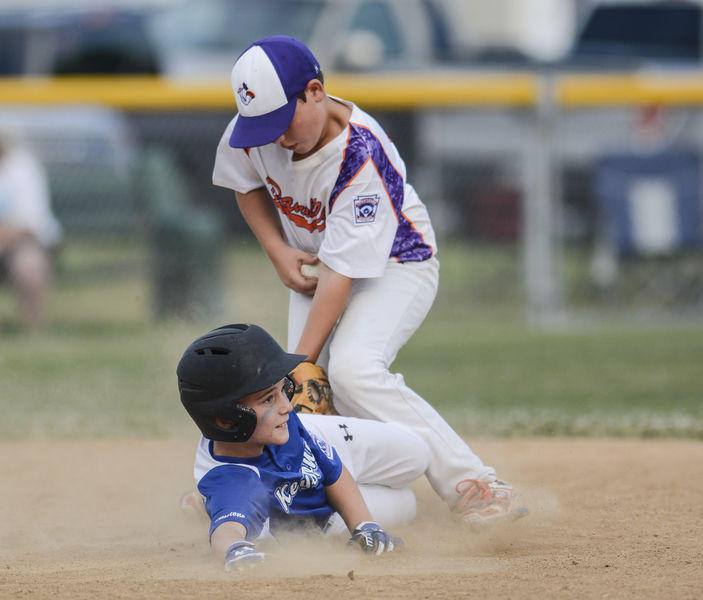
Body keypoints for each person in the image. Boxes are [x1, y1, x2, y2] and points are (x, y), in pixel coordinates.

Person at [212, 35, 526, 528]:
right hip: (321, 263)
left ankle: (476, 484)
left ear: (314, 91)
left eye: (281, 123)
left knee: (350, 372)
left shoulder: (360, 154)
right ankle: (262, 489)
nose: (274, 138)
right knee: (308, 400)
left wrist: (299, 366)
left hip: (399, 265)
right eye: (262, 127)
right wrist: (277, 251)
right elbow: (243, 182)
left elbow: (343, 276)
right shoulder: (259, 121)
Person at [177, 323, 431, 570]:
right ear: (227, 421)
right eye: (268, 398)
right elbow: (227, 532)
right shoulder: (236, 480)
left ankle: (209, 503)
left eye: (283, 390)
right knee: (408, 504)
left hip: (317, 437)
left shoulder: (280, 421)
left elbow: (333, 468)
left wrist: (364, 525)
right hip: (322, 519)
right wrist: (235, 552)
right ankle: (210, 506)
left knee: (418, 455)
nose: (288, 406)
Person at [0, 130, 62, 331]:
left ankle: (35, 329)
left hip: (22, 244)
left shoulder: (22, 168)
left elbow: (31, 224)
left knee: (29, 263)